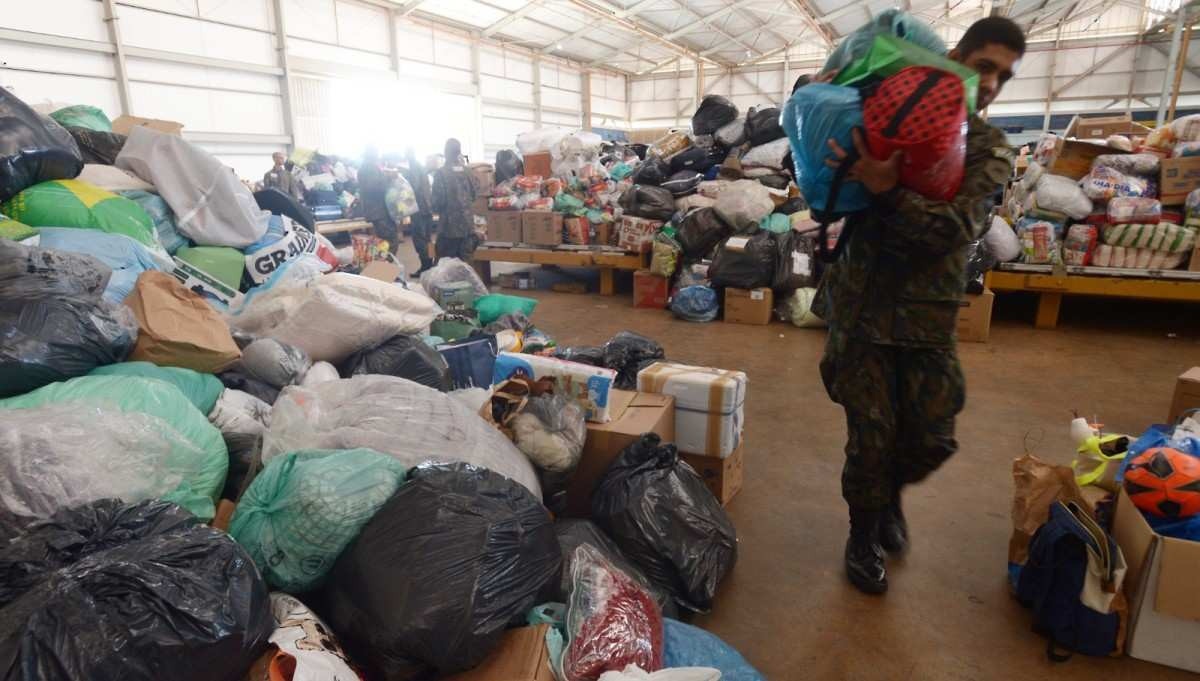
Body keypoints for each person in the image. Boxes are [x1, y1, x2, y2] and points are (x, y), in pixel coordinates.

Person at [814, 17, 1024, 595]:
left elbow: (956, 228)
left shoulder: (986, 146)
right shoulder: (879, 109)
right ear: (956, 57)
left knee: (933, 434)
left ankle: (891, 496)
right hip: (863, 305)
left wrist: (888, 189)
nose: (991, 83)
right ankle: (863, 531)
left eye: (1004, 76)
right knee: (871, 433)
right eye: (984, 66)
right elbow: (812, 159)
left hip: (928, 315)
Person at [431, 138, 477, 262]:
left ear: (445, 152)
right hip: (468, 227)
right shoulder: (468, 172)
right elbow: (474, 195)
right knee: (466, 266)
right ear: (459, 152)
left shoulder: (441, 174)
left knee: (447, 268)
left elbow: (436, 203)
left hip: (448, 230)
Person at [401, 147, 435, 276]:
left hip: (419, 210)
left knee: (419, 239)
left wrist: (403, 178)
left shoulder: (414, 167)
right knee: (426, 238)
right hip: (426, 208)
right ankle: (428, 266)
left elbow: (413, 186)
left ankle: (426, 267)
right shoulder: (420, 167)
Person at [358, 147, 400, 253]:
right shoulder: (369, 167)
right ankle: (388, 268)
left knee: (384, 241)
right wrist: (389, 178)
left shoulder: (368, 167)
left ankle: (386, 267)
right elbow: (374, 187)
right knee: (390, 241)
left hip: (376, 210)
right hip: (379, 211)